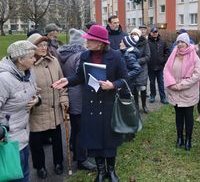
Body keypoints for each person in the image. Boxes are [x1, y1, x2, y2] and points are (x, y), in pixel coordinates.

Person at [52, 25, 128, 182]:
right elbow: (80, 76)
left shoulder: (115, 56)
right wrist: (67, 81)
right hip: (91, 105)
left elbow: (125, 78)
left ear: (100, 42)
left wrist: (113, 85)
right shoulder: (85, 55)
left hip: (108, 105)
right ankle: (100, 171)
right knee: (94, 139)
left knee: (109, 139)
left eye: (90, 40)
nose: (86, 42)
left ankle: (111, 171)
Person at [27, 33, 69, 179]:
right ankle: (40, 167)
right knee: (36, 142)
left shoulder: (54, 61)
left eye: (45, 45)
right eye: (40, 45)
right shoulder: (28, 65)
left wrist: (64, 98)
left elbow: (62, 82)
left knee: (57, 139)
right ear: (32, 48)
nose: (44, 48)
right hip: (37, 111)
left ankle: (59, 163)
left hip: (54, 107)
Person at [57, 28, 96, 171]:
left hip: (71, 95)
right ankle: (82, 159)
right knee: (81, 129)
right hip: (80, 96)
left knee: (76, 127)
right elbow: (85, 77)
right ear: (82, 42)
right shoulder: (81, 56)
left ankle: (75, 151)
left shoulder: (65, 54)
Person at [0, 40, 39, 182]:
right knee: (12, 177)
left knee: (24, 175)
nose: (35, 59)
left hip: (23, 136)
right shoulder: (3, 79)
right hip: (8, 141)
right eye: (31, 57)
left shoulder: (28, 73)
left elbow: (35, 92)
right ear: (20, 60)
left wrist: (37, 100)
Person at [164, 33, 200, 151]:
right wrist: (171, 83)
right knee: (178, 116)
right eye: (178, 42)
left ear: (187, 43)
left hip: (188, 91)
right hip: (174, 90)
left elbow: (196, 75)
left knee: (188, 116)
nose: (180, 44)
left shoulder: (194, 56)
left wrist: (180, 85)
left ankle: (188, 140)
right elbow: (167, 69)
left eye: (182, 42)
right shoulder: (174, 54)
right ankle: (179, 137)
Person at [147, 27, 170, 104]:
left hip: (160, 67)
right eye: (153, 32)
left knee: (161, 83)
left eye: (156, 32)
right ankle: (152, 95)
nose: (155, 33)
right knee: (152, 82)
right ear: (151, 33)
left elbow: (167, 51)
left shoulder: (162, 42)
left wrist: (163, 60)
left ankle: (163, 97)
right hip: (151, 67)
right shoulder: (147, 42)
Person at [130, 28, 151, 113]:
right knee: (134, 88)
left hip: (142, 69)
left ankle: (144, 105)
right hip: (132, 69)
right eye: (132, 34)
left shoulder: (145, 43)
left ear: (139, 35)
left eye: (135, 34)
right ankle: (136, 106)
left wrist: (137, 61)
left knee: (142, 87)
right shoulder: (129, 43)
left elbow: (147, 56)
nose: (133, 35)